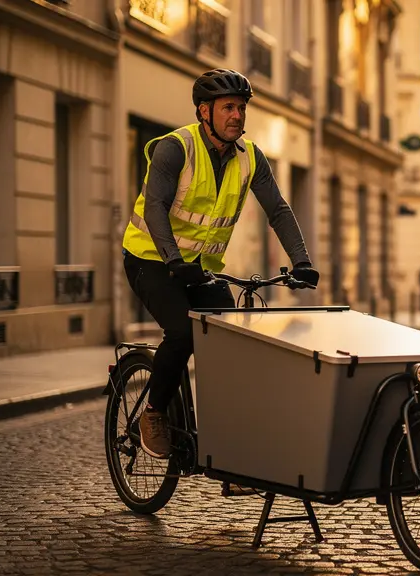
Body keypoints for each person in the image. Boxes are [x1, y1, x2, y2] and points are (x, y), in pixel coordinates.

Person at [121, 69, 320, 460]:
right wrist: (174, 260)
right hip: (150, 259)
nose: (237, 116)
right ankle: (154, 412)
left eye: (242, 108)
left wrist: (302, 261)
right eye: (228, 107)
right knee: (182, 332)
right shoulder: (176, 148)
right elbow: (157, 209)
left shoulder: (250, 158)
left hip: (201, 268)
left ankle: (227, 448)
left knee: (232, 346)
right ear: (204, 112)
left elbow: (277, 209)